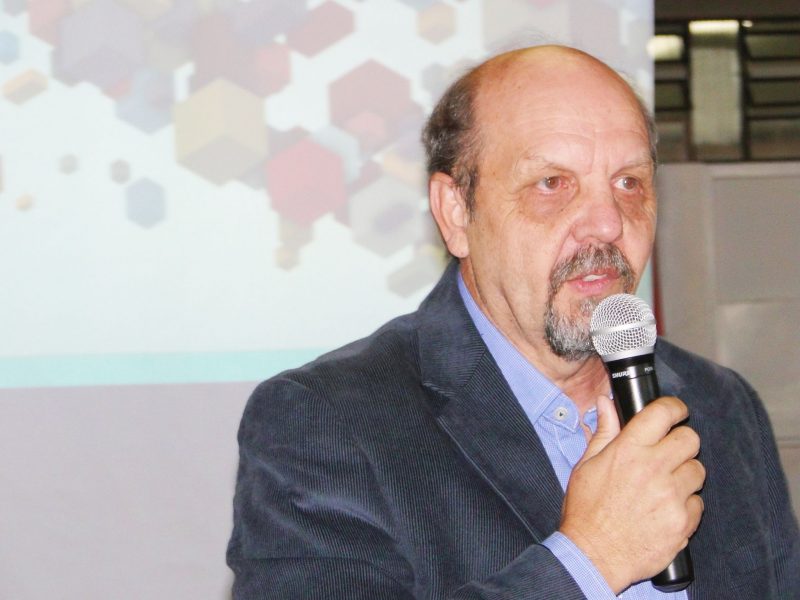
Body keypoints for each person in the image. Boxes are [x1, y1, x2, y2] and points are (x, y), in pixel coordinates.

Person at [226, 46, 800, 598]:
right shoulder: (326, 421)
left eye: (629, 182)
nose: (607, 223)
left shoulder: (720, 403)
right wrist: (592, 560)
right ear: (457, 212)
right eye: (553, 183)